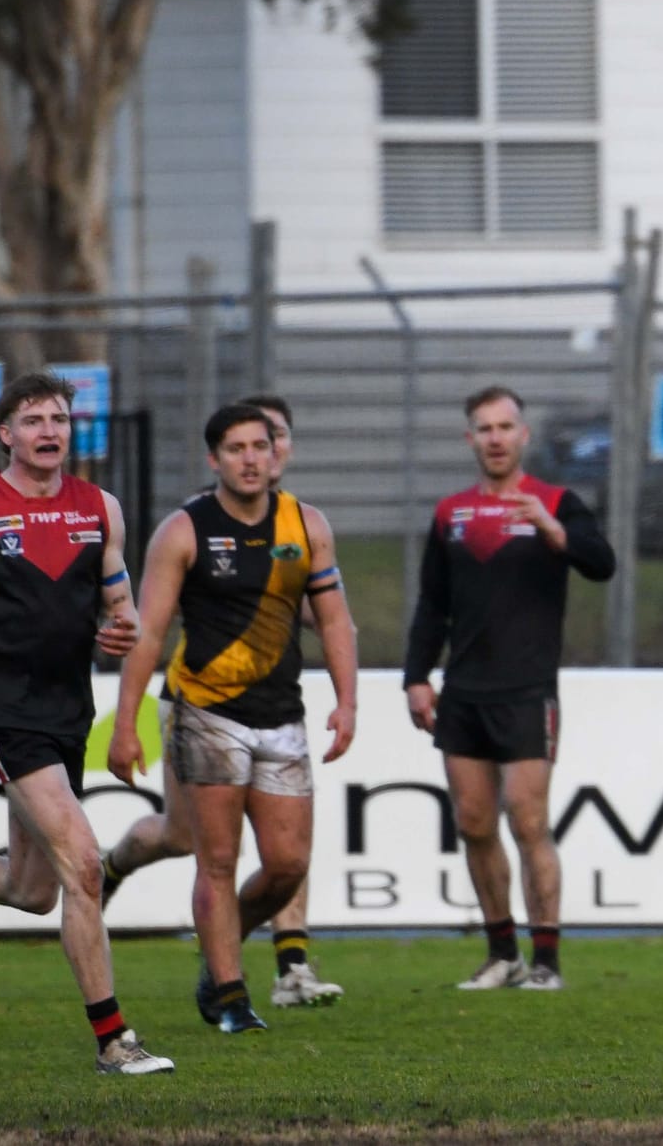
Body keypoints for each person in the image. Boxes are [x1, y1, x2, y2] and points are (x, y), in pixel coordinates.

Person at [0, 372, 174, 1074]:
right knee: (84, 861)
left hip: (66, 712)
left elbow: (119, 599)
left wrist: (122, 625)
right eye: (32, 420)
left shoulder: (100, 507)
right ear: (4, 434)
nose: (48, 430)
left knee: (33, 888)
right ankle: (114, 1039)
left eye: (58, 418)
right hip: (4, 712)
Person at [108, 403, 358, 1034]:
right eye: (236, 448)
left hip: (282, 716)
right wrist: (125, 722)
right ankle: (228, 994)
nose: (250, 459)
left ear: (277, 453)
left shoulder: (307, 524)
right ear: (213, 459)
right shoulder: (185, 530)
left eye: (260, 446)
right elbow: (148, 632)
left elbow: (332, 619)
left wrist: (347, 701)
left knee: (287, 865)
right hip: (206, 714)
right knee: (217, 859)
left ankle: (218, 949)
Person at [403, 385, 614, 990]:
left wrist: (553, 530)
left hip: (527, 691)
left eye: (505, 427)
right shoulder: (451, 514)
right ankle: (503, 953)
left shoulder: (557, 502)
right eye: (484, 428)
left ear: (523, 436)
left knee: (528, 822)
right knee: (473, 823)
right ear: (470, 439)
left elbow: (601, 563)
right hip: (463, 693)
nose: (495, 438)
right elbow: (432, 606)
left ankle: (546, 961)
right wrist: (417, 678)